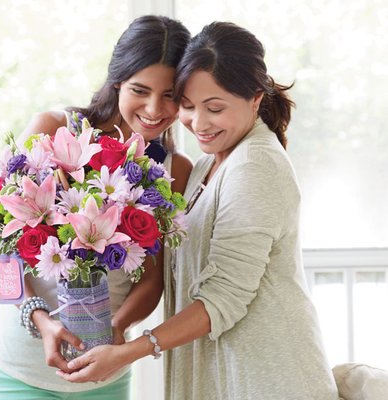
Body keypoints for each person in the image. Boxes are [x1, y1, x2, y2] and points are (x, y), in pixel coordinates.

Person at [56, 21, 340, 400]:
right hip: (225, 375)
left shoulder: (255, 164)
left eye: (215, 108)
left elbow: (223, 297)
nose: (199, 123)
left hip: (268, 379)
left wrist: (130, 350)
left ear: (255, 98)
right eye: (188, 106)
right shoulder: (210, 163)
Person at [0, 15, 192, 399]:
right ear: (117, 82)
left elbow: (151, 279)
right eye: (139, 90)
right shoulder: (52, 129)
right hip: (18, 370)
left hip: (103, 376)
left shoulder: (174, 168)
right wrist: (40, 320)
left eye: (171, 95)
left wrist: (116, 330)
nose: (154, 108)